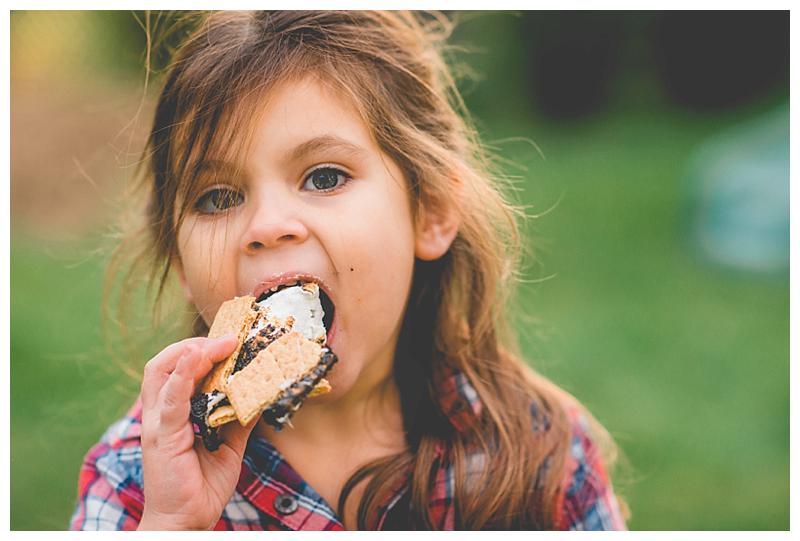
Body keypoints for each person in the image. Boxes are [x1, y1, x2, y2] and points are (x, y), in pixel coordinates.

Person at [69, 11, 627, 530]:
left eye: (324, 177)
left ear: (429, 210)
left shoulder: (539, 458)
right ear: (180, 262)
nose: (267, 225)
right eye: (217, 198)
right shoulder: (139, 481)